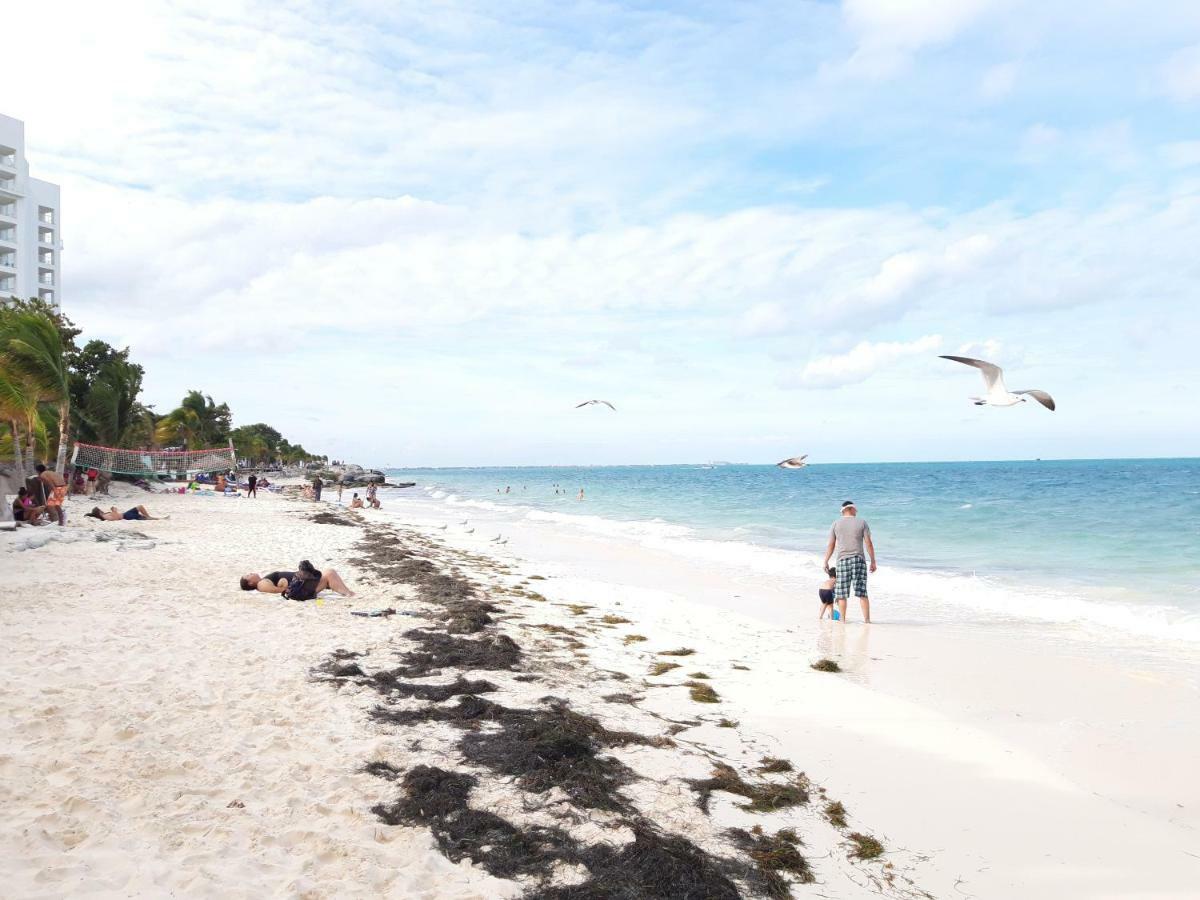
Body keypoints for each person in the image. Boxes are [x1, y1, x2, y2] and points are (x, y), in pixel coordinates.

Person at [822, 500, 877, 624]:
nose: (856, 511)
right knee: (862, 592)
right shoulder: (862, 522)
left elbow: (831, 545)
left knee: (841, 593)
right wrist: (873, 561)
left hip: (842, 561)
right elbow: (869, 543)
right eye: (855, 509)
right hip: (859, 561)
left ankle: (842, 620)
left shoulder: (835, 524)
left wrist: (826, 561)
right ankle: (867, 621)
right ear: (851, 509)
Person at [238, 560, 354, 599]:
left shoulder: (263, 580)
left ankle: (346, 592)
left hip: (303, 584)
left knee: (326, 574)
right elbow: (276, 591)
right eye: (248, 575)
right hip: (301, 588)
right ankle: (349, 594)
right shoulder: (261, 584)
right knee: (329, 573)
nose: (251, 573)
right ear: (250, 583)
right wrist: (285, 585)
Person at [85, 505, 162, 521]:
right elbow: (116, 518)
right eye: (99, 510)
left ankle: (149, 517)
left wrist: (113, 510)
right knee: (143, 517)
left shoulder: (104, 514)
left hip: (125, 514)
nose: (100, 510)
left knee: (140, 507)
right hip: (126, 516)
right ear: (98, 513)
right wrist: (114, 511)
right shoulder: (105, 517)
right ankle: (152, 518)